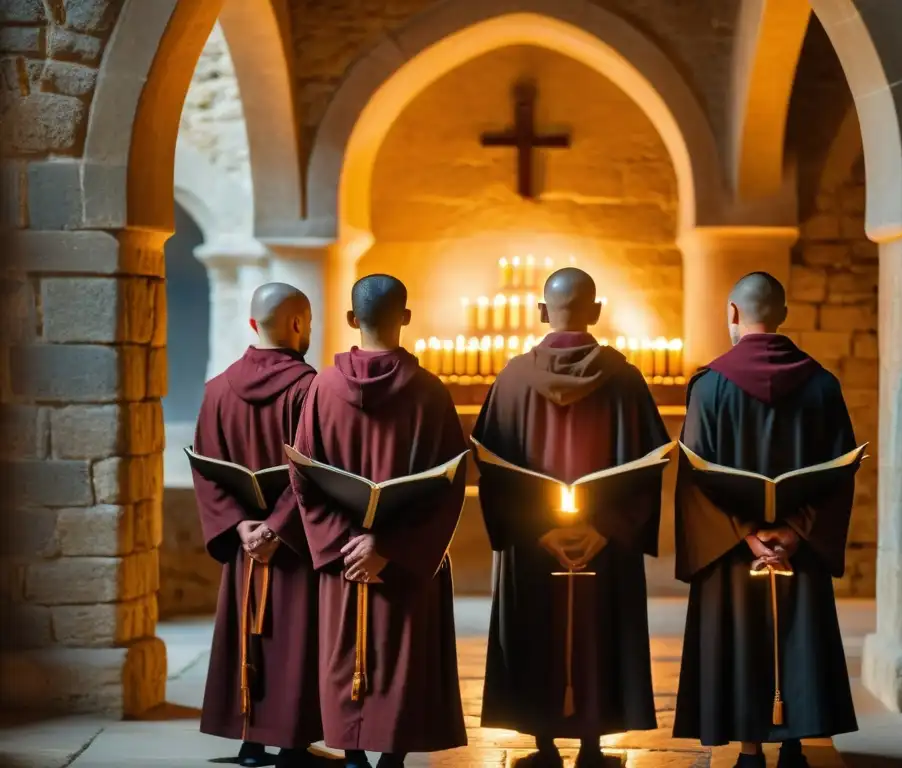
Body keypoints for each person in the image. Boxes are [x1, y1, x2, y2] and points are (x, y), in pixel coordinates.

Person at [473, 267, 669, 768]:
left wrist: (538, 530)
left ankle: (542, 743)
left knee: (534, 629)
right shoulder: (624, 379)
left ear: (541, 312)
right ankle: (592, 745)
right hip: (606, 543)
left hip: (533, 545)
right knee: (599, 632)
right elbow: (650, 466)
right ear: (596, 312)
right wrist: (606, 528)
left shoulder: (512, 379)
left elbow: (490, 467)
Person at [673, 272, 859, 768]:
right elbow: (842, 472)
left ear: (733, 313)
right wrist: (797, 531)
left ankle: (750, 750)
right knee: (797, 631)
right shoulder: (822, 384)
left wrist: (747, 534)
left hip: (735, 552)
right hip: (799, 547)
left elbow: (695, 475)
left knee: (740, 636)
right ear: (783, 314)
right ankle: (794, 742)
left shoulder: (710, 386)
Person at [290, 274, 467, 768]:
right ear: (406, 317)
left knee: (343, 649)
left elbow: (301, 476)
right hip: (402, 562)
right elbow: (449, 484)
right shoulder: (430, 392)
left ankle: (351, 757)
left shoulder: (322, 388)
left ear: (351, 319)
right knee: (401, 652)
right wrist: (389, 547)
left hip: (342, 557)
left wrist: (343, 543)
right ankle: (394, 757)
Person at [192, 283, 323, 768]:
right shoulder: (310, 389)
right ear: (297, 324)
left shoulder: (217, 389)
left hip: (245, 544)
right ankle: (291, 745)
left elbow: (205, 468)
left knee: (249, 631)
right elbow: (315, 469)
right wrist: (277, 527)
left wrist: (242, 527)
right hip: (291, 544)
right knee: (294, 637)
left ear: (252, 325)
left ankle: (250, 742)